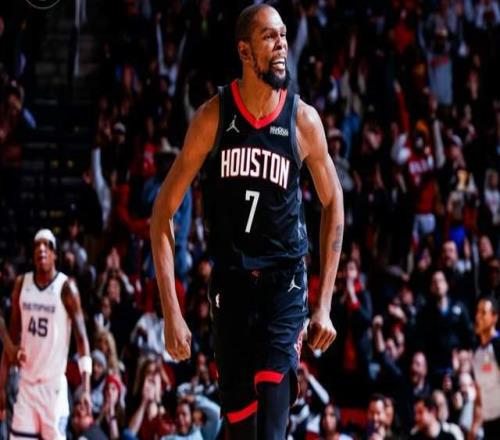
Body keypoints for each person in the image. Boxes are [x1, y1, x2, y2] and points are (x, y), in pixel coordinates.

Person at [150, 4, 344, 439]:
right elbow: (161, 213)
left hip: (283, 283)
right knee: (241, 428)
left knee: (272, 424)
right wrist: (171, 312)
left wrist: (324, 304)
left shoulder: (302, 120)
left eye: (283, 36)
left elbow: (334, 202)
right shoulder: (213, 117)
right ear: (244, 50)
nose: (281, 46)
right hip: (231, 284)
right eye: (269, 37)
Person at [0, 229, 92, 440]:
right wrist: (1, 386)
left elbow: (82, 340)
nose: (41, 248)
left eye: (47, 245)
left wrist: (86, 387)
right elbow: (11, 341)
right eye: (37, 245)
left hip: (53, 389)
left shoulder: (66, 287)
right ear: (33, 253)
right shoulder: (22, 284)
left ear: (55, 254)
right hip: (26, 386)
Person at [471, 296, 500, 440]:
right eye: (477, 312)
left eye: (483, 313)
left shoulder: (498, 345)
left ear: (494, 318)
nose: (478, 317)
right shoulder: (477, 354)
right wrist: (474, 427)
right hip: (489, 421)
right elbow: (479, 394)